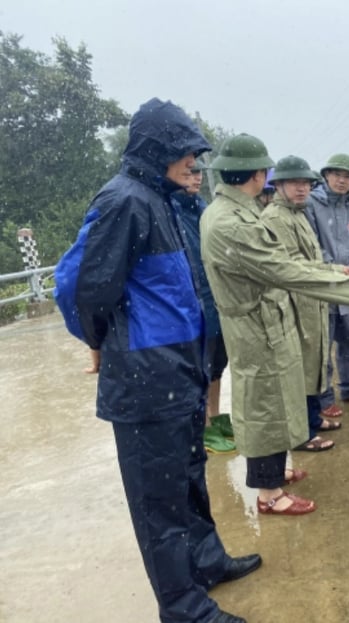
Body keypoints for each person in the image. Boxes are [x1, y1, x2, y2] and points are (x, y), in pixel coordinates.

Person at [53, 98, 258, 623]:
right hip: (145, 378)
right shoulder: (124, 201)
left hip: (178, 371)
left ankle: (206, 561)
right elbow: (89, 291)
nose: (194, 162)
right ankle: (184, 607)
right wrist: (105, 344)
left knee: (189, 479)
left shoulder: (161, 198)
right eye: (186, 151)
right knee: (158, 504)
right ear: (156, 150)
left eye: (197, 153)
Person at [199, 135, 349, 516]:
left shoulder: (239, 211)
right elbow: (283, 268)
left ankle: (275, 474)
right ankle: (269, 495)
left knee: (275, 401)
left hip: (266, 317)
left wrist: (338, 271)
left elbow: (299, 261)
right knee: (265, 405)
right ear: (260, 175)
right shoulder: (233, 222)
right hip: (256, 322)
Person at [261, 155, 346, 445]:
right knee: (298, 369)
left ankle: (312, 419)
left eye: (306, 184)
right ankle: (302, 434)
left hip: (311, 300)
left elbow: (312, 256)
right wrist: (335, 275)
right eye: (294, 183)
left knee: (313, 362)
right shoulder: (275, 218)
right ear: (278, 185)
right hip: (295, 303)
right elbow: (293, 265)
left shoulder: (298, 213)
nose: (302, 189)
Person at [173, 159, 235, 453]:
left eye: (198, 172)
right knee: (200, 368)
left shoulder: (201, 207)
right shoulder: (169, 210)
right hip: (192, 305)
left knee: (217, 367)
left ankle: (216, 417)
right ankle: (203, 429)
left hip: (216, 299)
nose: (195, 178)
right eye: (190, 172)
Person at [305, 153, 349, 407]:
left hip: (348, 284)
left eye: (347, 177)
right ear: (326, 176)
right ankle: (323, 398)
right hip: (322, 283)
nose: (342, 181)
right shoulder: (312, 204)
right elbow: (311, 243)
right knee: (323, 344)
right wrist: (333, 269)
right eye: (337, 175)